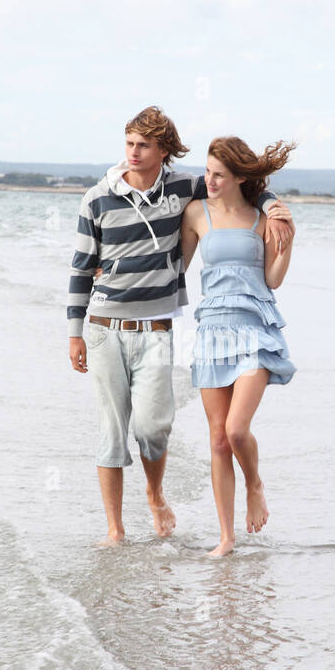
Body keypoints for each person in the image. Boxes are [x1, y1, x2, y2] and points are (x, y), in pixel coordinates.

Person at [67, 106, 295, 544]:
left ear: (164, 151)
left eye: (143, 145)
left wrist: (273, 207)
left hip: (159, 329)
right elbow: (83, 269)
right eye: (129, 144)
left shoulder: (183, 189)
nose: (133, 152)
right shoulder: (98, 198)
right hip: (108, 326)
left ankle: (161, 493)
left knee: (157, 428)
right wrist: (74, 331)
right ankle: (116, 531)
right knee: (114, 433)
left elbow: (240, 190)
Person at [181, 135, 297, 557]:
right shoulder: (195, 213)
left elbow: (273, 279)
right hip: (211, 331)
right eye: (207, 172)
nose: (209, 180)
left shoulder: (262, 216)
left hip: (253, 330)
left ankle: (255, 485)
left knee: (235, 430)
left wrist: (288, 242)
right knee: (216, 440)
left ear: (237, 177)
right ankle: (226, 538)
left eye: (219, 175)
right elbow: (175, 267)